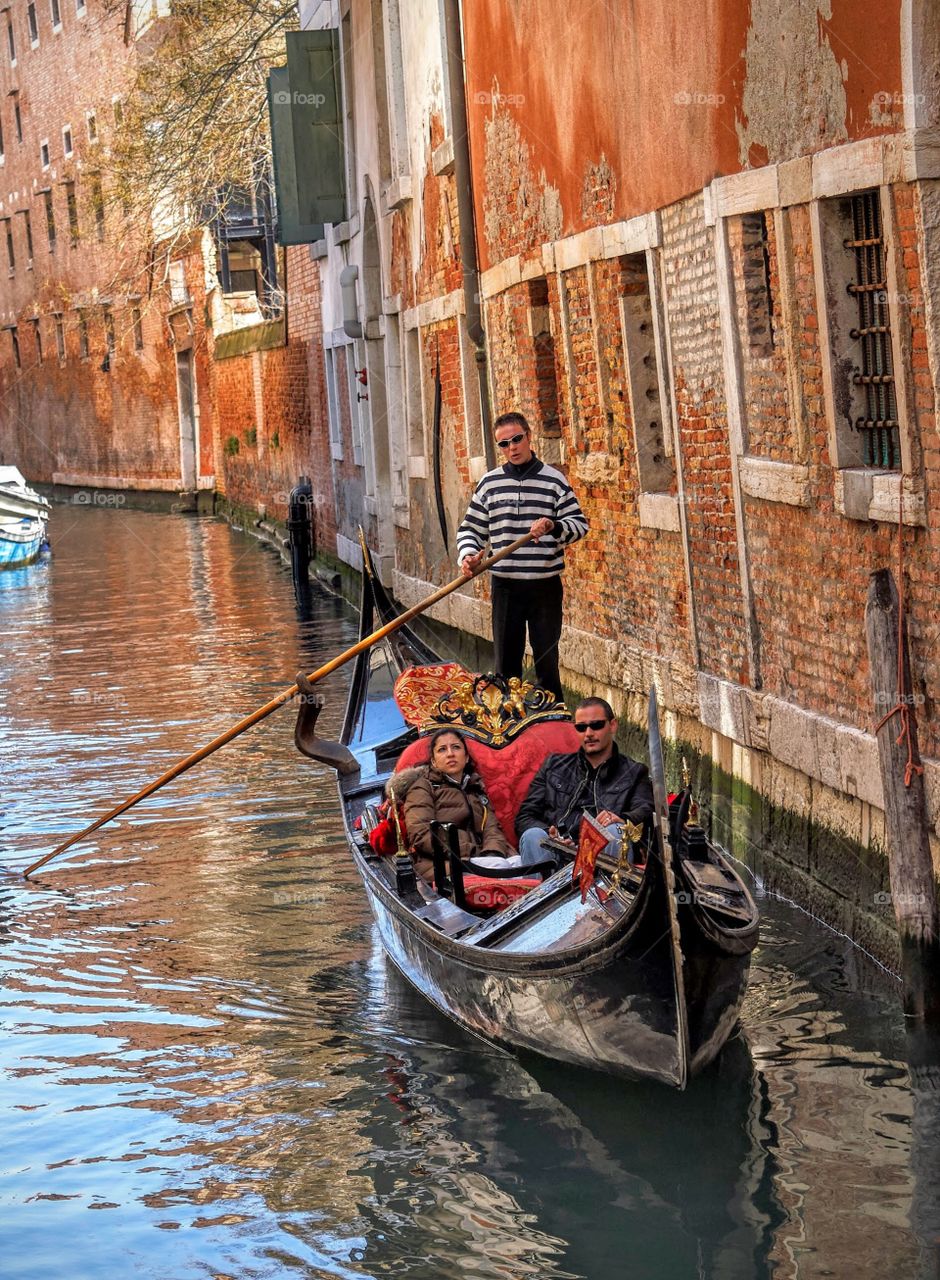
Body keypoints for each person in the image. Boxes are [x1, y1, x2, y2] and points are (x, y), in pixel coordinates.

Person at [456, 412, 588, 701]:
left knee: (547, 665)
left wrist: (554, 526)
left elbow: (580, 525)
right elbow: (470, 530)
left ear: (529, 436)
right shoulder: (489, 484)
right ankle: (506, 724)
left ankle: (552, 719)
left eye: (516, 439)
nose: (512, 447)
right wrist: (468, 556)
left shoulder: (555, 481)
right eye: (504, 444)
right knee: (505, 668)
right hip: (505, 587)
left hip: (545, 586)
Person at [515, 697, 654, 868]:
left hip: (601, 857)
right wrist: (550, 835)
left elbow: (646, 811)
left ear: (612, 725)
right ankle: (544, 893)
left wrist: (624, 819)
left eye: (596, 725)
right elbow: (525, 816)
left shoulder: (635, 772)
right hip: (557, 853)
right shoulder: (553, 765)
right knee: (532, 835)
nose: (588, 733)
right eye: (581, 727)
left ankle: (607, 894)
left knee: (615, 831)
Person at [401, 728, 513, 883]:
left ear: (466, 757)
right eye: (442, 749)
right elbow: (421, 834)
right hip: (440, 864)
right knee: (500, 866)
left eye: (456, 747)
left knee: (517, 863)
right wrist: (472, 851)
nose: (450, 754)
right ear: (433, 761)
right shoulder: (422, 788)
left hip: (481, 858)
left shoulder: (475, 788)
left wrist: (492, 852)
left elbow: (492, 828)